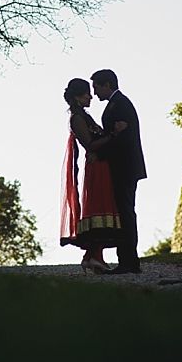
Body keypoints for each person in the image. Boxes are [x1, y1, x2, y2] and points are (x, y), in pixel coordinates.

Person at [59, 78, 127, 274]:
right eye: (87, 93)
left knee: (102, 205)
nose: (91, 96)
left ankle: (92, 256)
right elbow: (90, 144)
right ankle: (94, 256)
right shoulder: (77, 118)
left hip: (101, 165)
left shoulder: (84, 116)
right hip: (97, 167)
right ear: (78, 97)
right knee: (99, 205)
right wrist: (114, 134)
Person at [91, 69, 147, 275]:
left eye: (97, 86)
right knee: (125, 212)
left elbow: (122, 139)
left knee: (126, 213)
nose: (95, 92)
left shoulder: (121, 104)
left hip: (124, 167)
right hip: (124, 166)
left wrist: (100, 152)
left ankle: (129, 262)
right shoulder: (118, 104)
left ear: (107, 85)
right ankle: (128, 260)